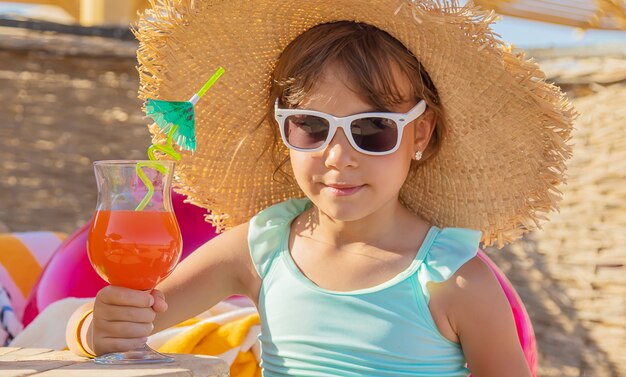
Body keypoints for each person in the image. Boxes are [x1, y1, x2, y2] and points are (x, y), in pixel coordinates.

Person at [67, 1, 575, 376]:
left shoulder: (454, 281)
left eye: (372, 129)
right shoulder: (261, 246)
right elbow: (128, 320)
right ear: (283, 130)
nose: (338, 156)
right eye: (310, 125)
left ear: (420, 133)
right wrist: (95, 330)